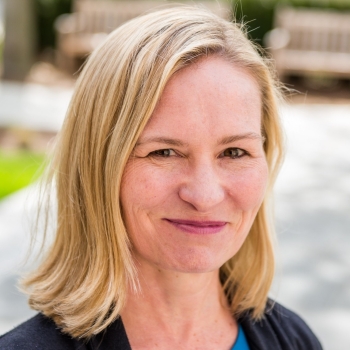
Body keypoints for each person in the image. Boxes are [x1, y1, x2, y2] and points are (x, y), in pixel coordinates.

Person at [0, 6, 322, 350]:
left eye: (234, 152)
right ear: (98, 165)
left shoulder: (294, 340)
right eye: (164, 153)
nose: (205, 195)